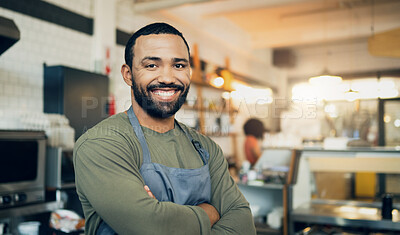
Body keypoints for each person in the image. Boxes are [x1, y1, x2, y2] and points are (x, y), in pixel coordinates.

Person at [73, 22, 256, 235]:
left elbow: (243, 224)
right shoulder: (102, 143)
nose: (168, 78)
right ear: (128, 74)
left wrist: (168, 217)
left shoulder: (205, 147)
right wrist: (210, 213)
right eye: (152, 65)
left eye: (179, 65)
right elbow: (152, 226)